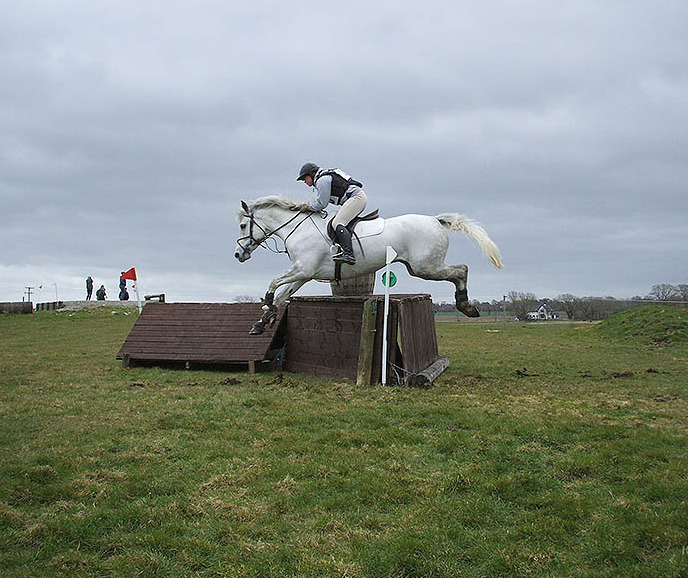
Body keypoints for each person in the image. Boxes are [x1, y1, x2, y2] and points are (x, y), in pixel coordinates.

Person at [297, 162, 367, 265]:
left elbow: (321, 203)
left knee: (337, 223)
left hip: (356, 198)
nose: (304, 182)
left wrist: (308, 207)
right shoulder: (323, 178)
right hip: (355, 198)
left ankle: (349, 254)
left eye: (305, 178)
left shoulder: (322, 180)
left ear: (312, 174)